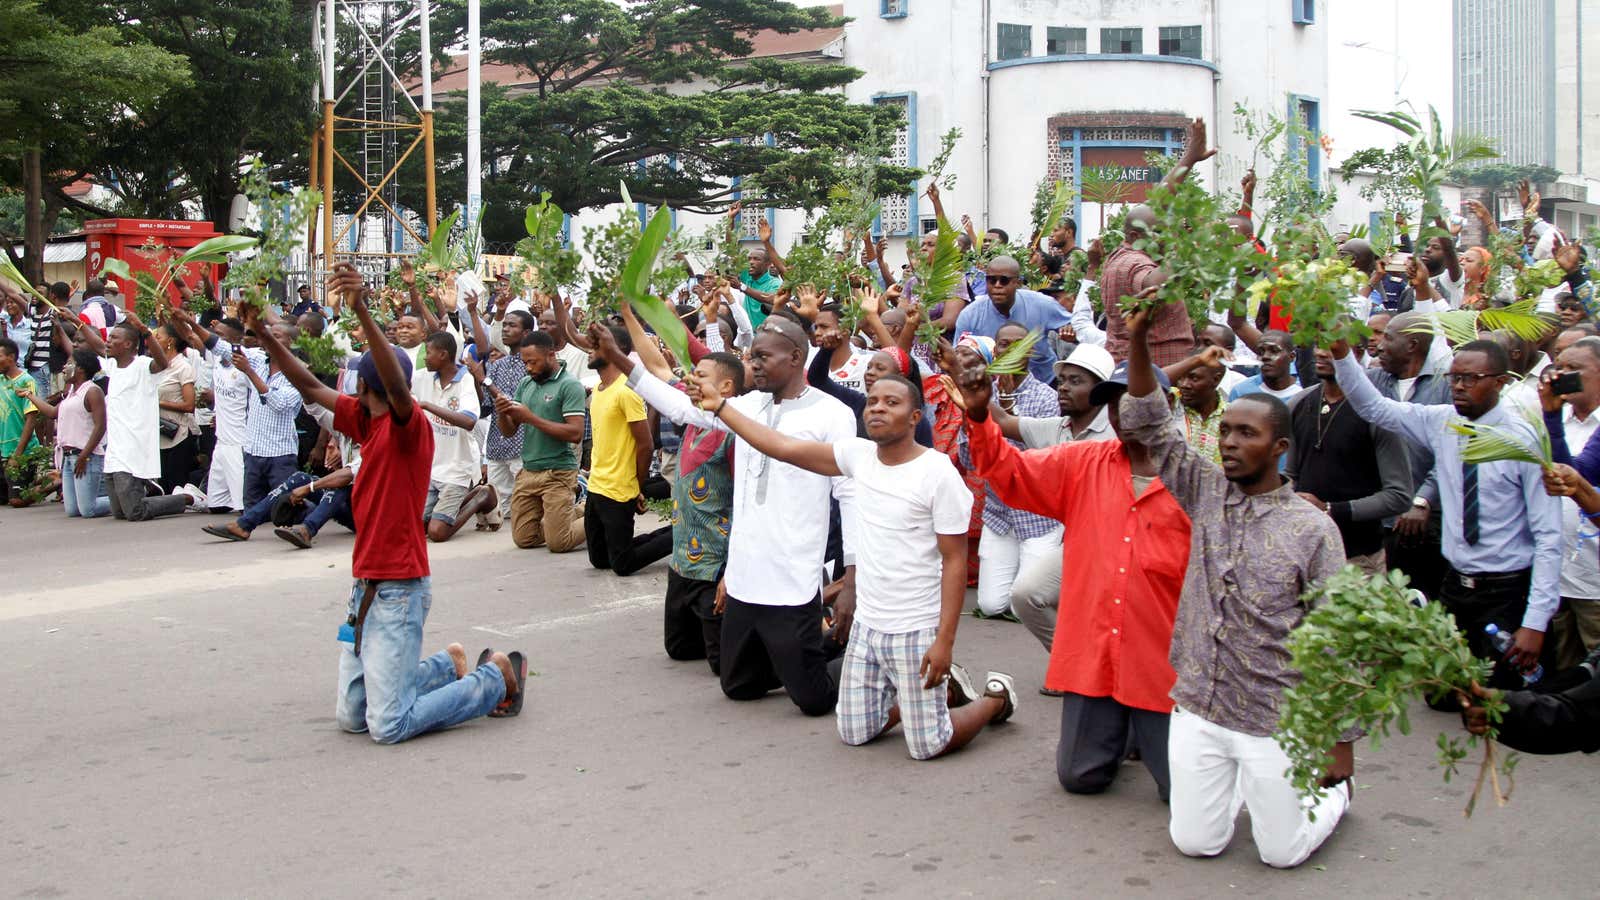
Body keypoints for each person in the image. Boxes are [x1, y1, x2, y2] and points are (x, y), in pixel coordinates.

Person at [1121, 297, 1352, 868]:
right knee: (1196, 842)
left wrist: (1341, 739)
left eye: (1245, 434)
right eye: (1224, 432)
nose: (1228, 442)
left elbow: (1340, 635)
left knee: (1282, 852)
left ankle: (1332, 799)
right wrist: (1141, 341)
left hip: (1274, 715)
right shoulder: (1206, 491)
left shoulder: (1313, 530)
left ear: (1278, 448)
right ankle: (1257, 793)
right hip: (1199, 702)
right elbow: (1147, 417)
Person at [693, 368, 1019, 757]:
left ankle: (995, 699)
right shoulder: (858, 456)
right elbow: (783, 447)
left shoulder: (937, 473)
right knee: (854, 731)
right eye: (874, 401)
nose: (877, 408)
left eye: (892, 403)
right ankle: (940, 696)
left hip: (914, 627)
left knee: (928, 745)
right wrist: (723, 408)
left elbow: (953, 561)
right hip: (868, 626)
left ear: (916, 418)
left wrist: (944, 641)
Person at [266, 263, 525, 742]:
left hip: (399, 589)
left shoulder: (410, 427)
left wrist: (362, 307)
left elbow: (393, 384)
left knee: (388, 724)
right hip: (366, 586)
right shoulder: (367, 420)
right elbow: (309, 385)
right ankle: (446, 667)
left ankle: (494, 678)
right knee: (352, 718)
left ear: (366, 387)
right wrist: (269, 341)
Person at [952, 351, 1188, 799]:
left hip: (1162, 666)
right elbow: (1011, 472)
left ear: (1165, 407)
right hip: (1095, 657)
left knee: (1180, 793)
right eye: (1115, 403)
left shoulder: (1194, 479)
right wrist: (981, 416)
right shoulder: (1085, 461)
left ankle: (1142, 728)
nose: (1123, 413)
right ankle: (1121, 728)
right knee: (1080, 777)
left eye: (1135, 400)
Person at [626, 315, 857, 716]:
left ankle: (861, 661)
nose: (754, 365)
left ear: (796, 358)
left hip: (792, 580)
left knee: (814, 699)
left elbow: (850, 499)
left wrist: (852, 577)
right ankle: (797, 659)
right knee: (738, 685)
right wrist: (621, 360)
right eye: (752, 357)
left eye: (764, 357)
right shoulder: (747, 405)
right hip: (747, 577)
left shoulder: (832, 414)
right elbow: (684, 408)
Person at [1332, 336, 1562, 685]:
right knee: (1445, 695)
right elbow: (1375, 408)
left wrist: (1534, 622)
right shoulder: (1442, 422)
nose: (1459, 387)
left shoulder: (1522, 441)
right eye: (1454, 378)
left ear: (1500, 381)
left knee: (1500, 702)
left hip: (1506, 591)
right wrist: (1341, 354)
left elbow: (1548, 535)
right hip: (1456, 583)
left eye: (1471, 378)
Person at [959, 327, 1067, 620]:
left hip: (1037, 516)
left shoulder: (1047, 397)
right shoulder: (981, 392)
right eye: (1003, 344)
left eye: (1016, 345)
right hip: (999, 514)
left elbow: (1041, 463)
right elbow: (970, 458)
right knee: (993, 605)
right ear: (995, 353)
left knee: (1023, 606)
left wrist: (1003, 416)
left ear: (1030, 352)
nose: (1008, 350)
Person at [1285, 348, 1413, 574]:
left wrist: (1331, 509)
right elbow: (1291, 475)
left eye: (1333, 347)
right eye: (1319, 343)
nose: (1320, 352)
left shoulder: (1378, 413)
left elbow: (1399, 496)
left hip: (1357, 558)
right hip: (1304, 554)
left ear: (1357, 352)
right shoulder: (1299, 403)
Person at [1364, 310, 1452, 599]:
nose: (1378, 345)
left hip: (1424, 525)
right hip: (1376, 519)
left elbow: (1452, 452)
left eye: (1388, 337)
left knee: (1421, 601)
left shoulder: (1446, 387)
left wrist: (1423, 499)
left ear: (1412, 345)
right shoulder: (1372, 382)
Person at [76, 311, 199, 520]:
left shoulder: (143, 365)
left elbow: (162, 363)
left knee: (135, 512)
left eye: (114, 338)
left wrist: (145, 331)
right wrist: (74, 321)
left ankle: (186, 497)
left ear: (128, 345)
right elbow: (96, 344)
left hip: (132, 450)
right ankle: (149, 490)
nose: (108, 341)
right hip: (115, 449)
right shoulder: (113, 366)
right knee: (119, 513)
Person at [582, 324, 672, 575]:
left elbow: (646, 444)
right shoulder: (599, 390)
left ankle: (680, 534)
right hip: (596, 486)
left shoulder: (626, 390)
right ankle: (667, 534)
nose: (589, 351)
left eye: (595, 346)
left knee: (623, 565)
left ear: (614, 350)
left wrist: (636, 486)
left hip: (619, 490)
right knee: (600, 560)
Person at [494, 329, 587, 552]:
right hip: (529, 470)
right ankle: (565, 517)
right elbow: (509, 431)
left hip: (558, 471)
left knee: (559, 543)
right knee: (524, 539)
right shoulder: (526, 384)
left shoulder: (569, 385)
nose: (528, 368)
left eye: (533, 362)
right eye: (525, 362)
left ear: (551, 355)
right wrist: (502, 412)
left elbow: (575, 434)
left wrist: (531, 418)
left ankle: (598, 512)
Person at [1537, 341, 1600, 668]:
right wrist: (1550, 416)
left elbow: (1577, 475)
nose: (1562, 376)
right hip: (1561, 576)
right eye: (1559, 367)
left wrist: (1550, 419)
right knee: (1565, 673)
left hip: (1595, 583)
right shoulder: (1560, 421)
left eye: (1574, 369)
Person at [413, 330, 497, 542]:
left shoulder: (465, 381)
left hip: (458, 469)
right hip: (432, 467)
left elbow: (469, 421)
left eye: (429, 352)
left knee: (437, 532)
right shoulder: (424, 377)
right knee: (415, 526)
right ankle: (476, 495)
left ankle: (481, 497)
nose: (425, 357)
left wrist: (427, 405)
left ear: (443, 355)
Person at [952, 256, 1072, 385]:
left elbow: (1075, 329)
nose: (997, 286)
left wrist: (1070, 332)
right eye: (991, 280)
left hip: (1044, 381)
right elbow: (958, 357)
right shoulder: (970, 315)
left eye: (1004, 280)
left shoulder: (1042, 304)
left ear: (1018, 283)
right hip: (994, 387)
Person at [24, 348, 110, 517]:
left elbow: (100, 427)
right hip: (68, 458)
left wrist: (84, 456)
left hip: (86, 457)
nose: (64, 367)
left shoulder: (92, 391)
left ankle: (123, 499)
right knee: (72, 510)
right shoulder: (71, 393)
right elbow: (52, 412)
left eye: (70, 363)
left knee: (88, 510)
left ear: (81, 369)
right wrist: (29, 395)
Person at [479, 309, 535, 524]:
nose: (506, 330)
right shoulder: (497, 365)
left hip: (522, 445)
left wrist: (485, 380)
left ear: (526, 332)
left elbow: (515, 405)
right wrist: (480, 381)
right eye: (505, 325)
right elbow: (486, 407)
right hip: (496, 445)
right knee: (500, 509)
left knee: (525, 504)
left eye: (512, 325)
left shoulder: (532, 364)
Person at [151, 324, 201, 495]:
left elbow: (189, 405)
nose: (154, 341)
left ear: (170, 341)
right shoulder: (156, 366)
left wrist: (158, 403)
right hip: (159, 432)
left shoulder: (183, 367)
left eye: (158, 337)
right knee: (163, 482)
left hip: (178, 433)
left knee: (176, 483)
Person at [1, 336, 45, 505]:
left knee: (17, 500)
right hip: (3, 449)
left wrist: (17, 455)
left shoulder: (26, 381)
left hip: (23, 451)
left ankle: (53, 480)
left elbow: (31, 419)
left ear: (11, 358)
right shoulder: (0, 379)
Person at [1227, 330, 1301, 402]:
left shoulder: (1303, 391)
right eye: (1260, 351)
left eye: (1274, 351)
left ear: (1291, 357)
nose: (1265, 357)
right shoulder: (1241, 392)